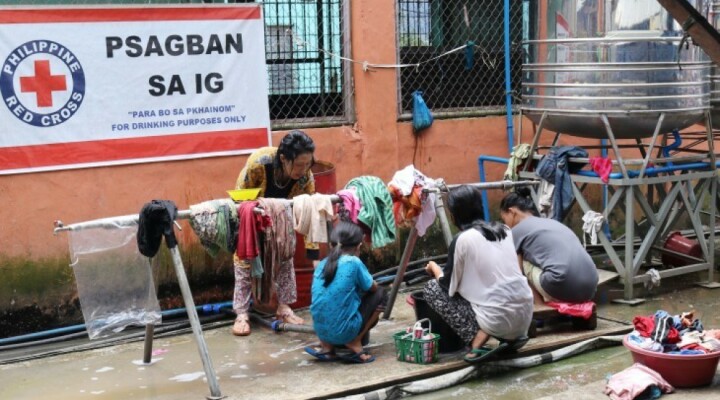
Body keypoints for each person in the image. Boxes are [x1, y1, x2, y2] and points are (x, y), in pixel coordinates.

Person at [423, 185, 533, 362]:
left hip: (497, 320)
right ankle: (508, 336)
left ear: (454, 215)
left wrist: (435, 269)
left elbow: (448, 286)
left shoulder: (462, 240)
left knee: (432, 288)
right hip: (525, 315)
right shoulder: (504, 230)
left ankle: (477, 341)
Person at [232, 130, 318, 336]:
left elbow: (310, 212)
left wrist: (313, 253)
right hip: (252, 217)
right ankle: (242, 313)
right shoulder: (258, 165)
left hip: (282, 224)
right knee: (244, 260)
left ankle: (284, 308)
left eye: (308, 164)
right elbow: (238, 200)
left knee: (286, 256)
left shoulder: (305, 177)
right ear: (283, 158)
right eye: (299, 165)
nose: (304, 170)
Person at [499, 187, 599, 305]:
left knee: (520, 263)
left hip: (561, 286)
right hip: (591, 288)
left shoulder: (516, 231)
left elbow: (516, 273)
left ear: (512, 212)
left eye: (504, 219)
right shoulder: (552, 223)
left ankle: (539, 309)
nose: (505, 224)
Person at [305, 221, 386, 363]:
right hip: (344, 332)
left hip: (321, 331)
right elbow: (372, 288)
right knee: (381, 293)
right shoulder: (354, 262)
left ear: (332, 245)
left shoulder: (322, 264)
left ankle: (327, 348)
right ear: (359, 246)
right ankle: (355, 341)